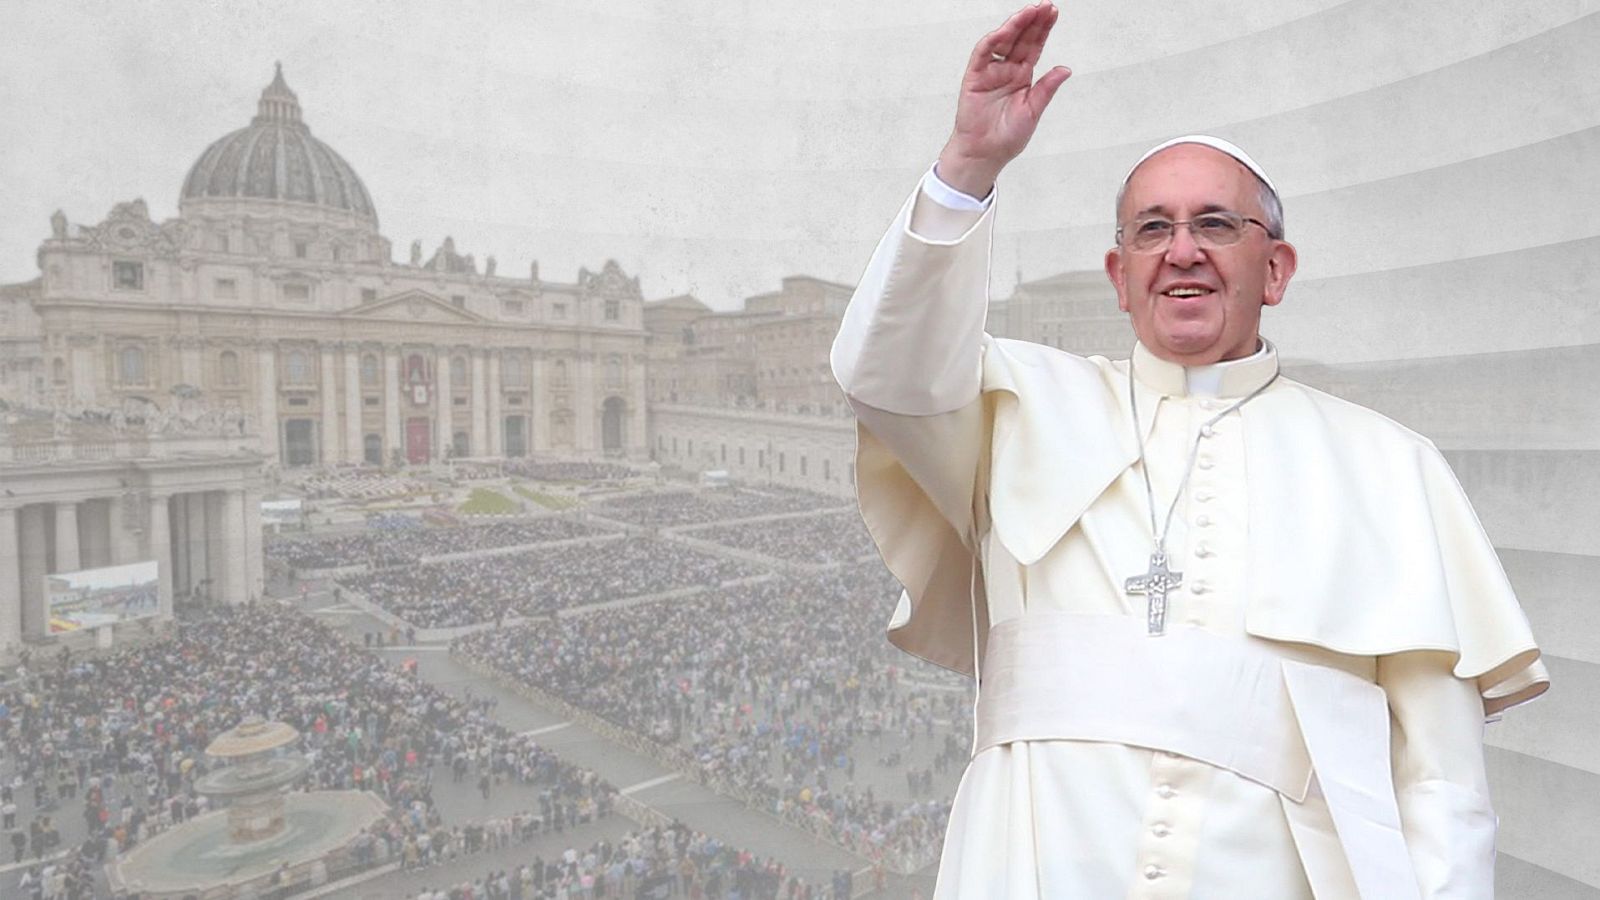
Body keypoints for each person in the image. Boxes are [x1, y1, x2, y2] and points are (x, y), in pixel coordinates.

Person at [829, 4, 1548, 898]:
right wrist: (969, 166)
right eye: (1153, 229)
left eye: (1215, 225)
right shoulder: (1016, 406)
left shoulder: (1390, 468)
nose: (1183, 252)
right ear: (1119, 274)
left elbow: (1442, 784)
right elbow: (882, 370)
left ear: (1275, 270)